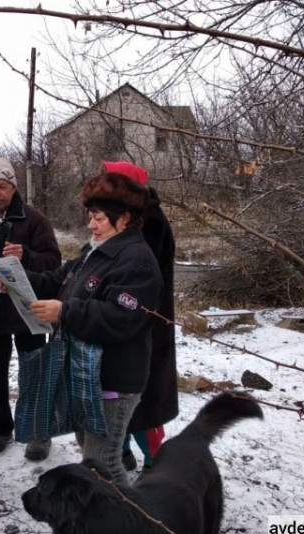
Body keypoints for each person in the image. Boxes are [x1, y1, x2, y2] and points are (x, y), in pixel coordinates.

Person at [26, 172, 163, 485]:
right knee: (93, 455)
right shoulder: (95, 251)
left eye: (98, 218)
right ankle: (115, 522)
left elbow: (121, 317)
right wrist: (14, 280)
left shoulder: (136, 259)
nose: (91, 225)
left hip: (114, 380)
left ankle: (129, 527)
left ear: (124, 218)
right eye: (90, 217)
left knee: (103, 464)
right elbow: (56, 281)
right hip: (85, 374)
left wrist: (65, 311)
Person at [0, 157, 61, 460]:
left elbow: (54, 261)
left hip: (28, 310)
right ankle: (0, 428)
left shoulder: (33, 220)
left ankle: (38, 431)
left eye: (0, 186)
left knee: (34, 372)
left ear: (12, 186)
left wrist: (27, 255)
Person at [101, 161, 179, 473]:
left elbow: (135, 278)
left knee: (142, 403)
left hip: (145, 329)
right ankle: (122, 452)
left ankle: (158, 467)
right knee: (118, 396)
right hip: (126, 325)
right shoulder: (130, 219)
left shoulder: (152, 225)